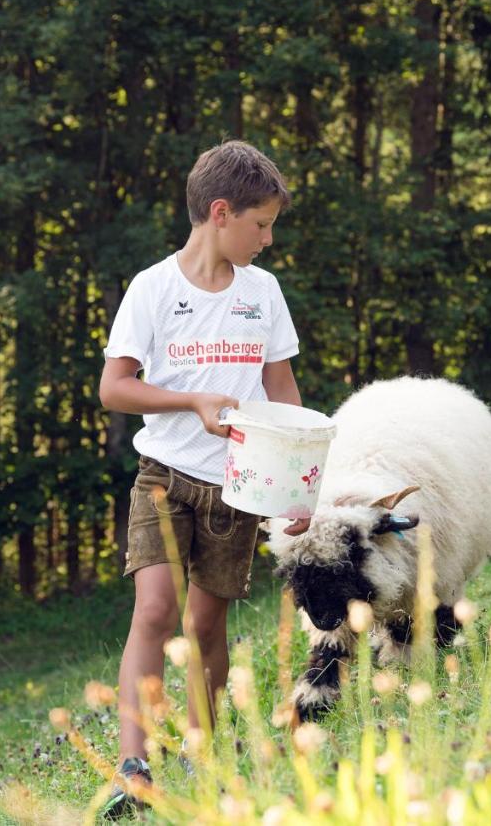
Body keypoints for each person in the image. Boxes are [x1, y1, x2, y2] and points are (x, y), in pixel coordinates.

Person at [96, 140, 302, 818]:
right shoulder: (152, 290)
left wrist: (297, 487)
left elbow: (281, 390)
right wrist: (191, 402)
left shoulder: (263, 293)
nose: (268, 240)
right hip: (163, 475)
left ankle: (204, 751)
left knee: (208, 625)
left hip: (238, 484)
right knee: (155, 609)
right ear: (221, 212)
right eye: (261, 224)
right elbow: (115, 388)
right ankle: (135, 767)